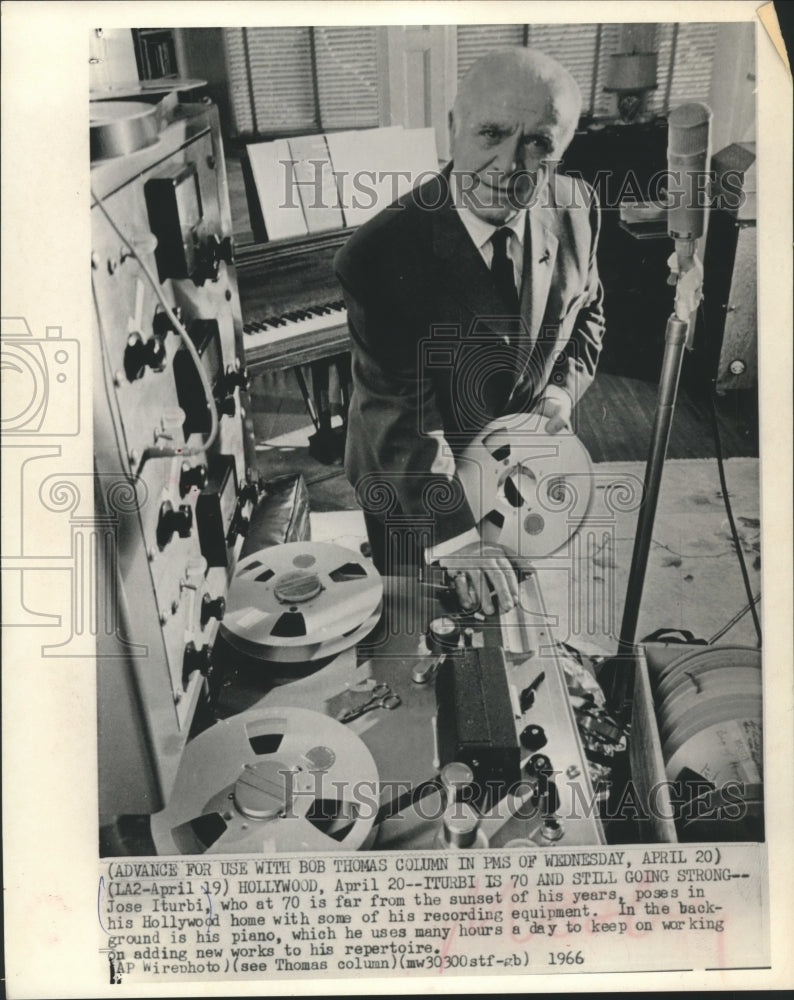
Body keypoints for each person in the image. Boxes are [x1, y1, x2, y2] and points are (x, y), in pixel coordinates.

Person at [334, 47, 605, 614]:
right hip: (411, 485)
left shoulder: (575, 206)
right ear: (453, 128)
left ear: (562, 149)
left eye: (538, 144)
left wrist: (558, 393)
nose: (509, 166)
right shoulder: (379, 254)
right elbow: (397, 420)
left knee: (504, 619)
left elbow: (589, 314)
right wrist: (457, 538)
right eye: (492, 133)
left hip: (517, 475)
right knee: (418, 643)